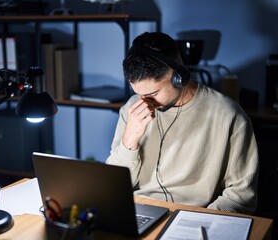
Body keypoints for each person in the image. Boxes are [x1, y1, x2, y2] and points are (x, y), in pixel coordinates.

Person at [106, 32, 259, 214]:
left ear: (179, 76)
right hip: (138, 211)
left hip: (196, 215)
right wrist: (129, 141)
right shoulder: (132, 108)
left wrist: (203, 220)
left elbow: (241, 196)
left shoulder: (229, 116)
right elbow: (114, 186)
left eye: (153, 94)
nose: (144, 102)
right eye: (139, 93)